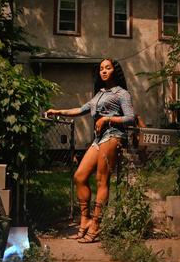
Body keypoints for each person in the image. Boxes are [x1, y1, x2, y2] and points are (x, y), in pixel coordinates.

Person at [45, 58, 135, 243]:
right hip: (99, 138)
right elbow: (80, 109)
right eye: (101, 68)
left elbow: (130, 118)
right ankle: (85, 219)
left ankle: (96, 224)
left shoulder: (122, 93)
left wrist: (107, 120)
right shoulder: (99, 94)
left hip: (113, 136)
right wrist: (58, 111)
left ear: (114, 71)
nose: (103, 71)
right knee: (79, 176)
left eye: (107, 68)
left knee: (101, 180)